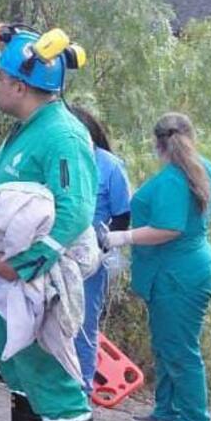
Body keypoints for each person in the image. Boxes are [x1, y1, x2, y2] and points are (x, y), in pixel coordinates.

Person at [0, 24, 98, 421]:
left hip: (38, 278)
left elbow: (75, 210)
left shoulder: (63, 136)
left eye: (0, 79)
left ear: (20, 86)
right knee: (18, 361)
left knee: (50, 372)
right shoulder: (28, 128)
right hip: (9, 276)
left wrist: (25, 263)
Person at [105, 113, 211, 421]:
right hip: (183, 268)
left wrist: (121, 238)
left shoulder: (173, 179)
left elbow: (169, 228)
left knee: (179, 346)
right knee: (165, 341)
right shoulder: (200, 169)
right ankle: (167, 410)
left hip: (179, 273)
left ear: (157, 142)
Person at [70, 106, 132, 393]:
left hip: (94, 257)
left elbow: (122, 214)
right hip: (59, 252)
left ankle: (82, 386)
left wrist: (104, 247)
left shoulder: (110, 166)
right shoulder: (62, 160)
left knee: (84, 323)